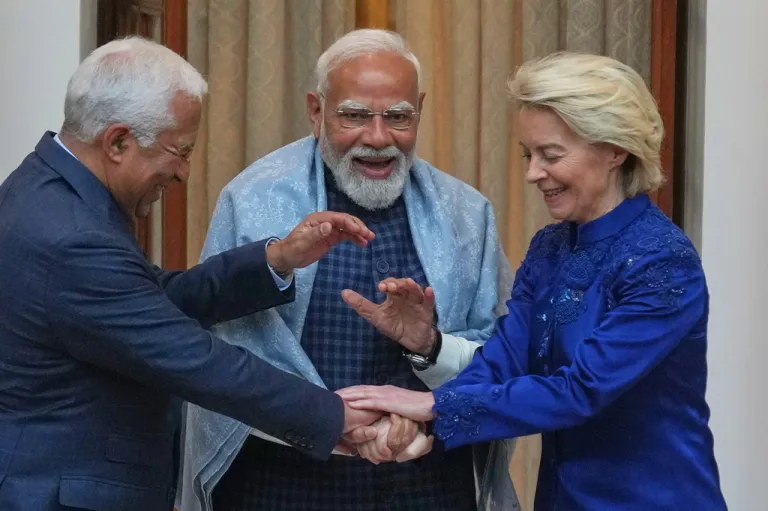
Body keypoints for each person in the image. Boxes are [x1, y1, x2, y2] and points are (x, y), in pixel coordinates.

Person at [0, 37, 384, 511]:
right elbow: (193, 359)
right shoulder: (70, 236)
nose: (183, 173)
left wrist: (279, 258)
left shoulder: (47, 187)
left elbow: (149, 299)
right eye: (178, 152)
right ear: (117, 141)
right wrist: (332, 415)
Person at [339, 52, 728, 510]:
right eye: (528, 154)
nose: (532, 173)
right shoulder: (550, 247)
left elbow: (581, 390)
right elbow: (503, 361)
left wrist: (432, 409)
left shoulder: (661, 260)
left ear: (614, 150)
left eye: (551, 154)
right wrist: (420, 423)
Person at [180, 29, 517, 511]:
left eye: (398, 117)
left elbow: (499, 359)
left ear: (419, 110)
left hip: (428, 485)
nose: (378, 138)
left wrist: (428, 360)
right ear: (316, 111)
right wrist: (333, 422)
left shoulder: (466, 213)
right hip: (281, 486)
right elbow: (220, 355)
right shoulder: (253, 199)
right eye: (355, 115)